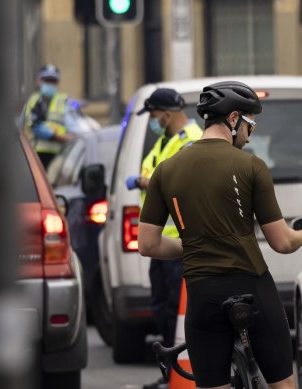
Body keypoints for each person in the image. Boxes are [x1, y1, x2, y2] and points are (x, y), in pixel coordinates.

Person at [137, 81, 302, 389]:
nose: (250, 133)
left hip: (202, 294)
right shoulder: (251, 165)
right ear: (233, 119)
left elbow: (147, 244)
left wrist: (191, 244)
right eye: (250, 124)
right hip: (252, 286)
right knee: (283, 383)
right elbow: (282, 241)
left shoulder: (165, 170)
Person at [125, 88, 202, 389]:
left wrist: (143, 181)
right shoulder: (165, 141)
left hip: (179, 241)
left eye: (155, 115)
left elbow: (173, 178)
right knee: (162, 309)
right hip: (159, 241)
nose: (153, 120)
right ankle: (171, 372)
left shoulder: (191, 139)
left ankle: (183, 373)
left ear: (166, 114)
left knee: (177, 310)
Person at [22, 64, 77, 168]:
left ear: (58, 83)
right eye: (47, 80)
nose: (50, 84)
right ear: (38, 81)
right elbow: (27, 127)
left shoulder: (65, 101)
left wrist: (53, 136)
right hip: (33, 156)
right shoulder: (32, 101)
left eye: (53, 81)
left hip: (58, 156)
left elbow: (75, 133)